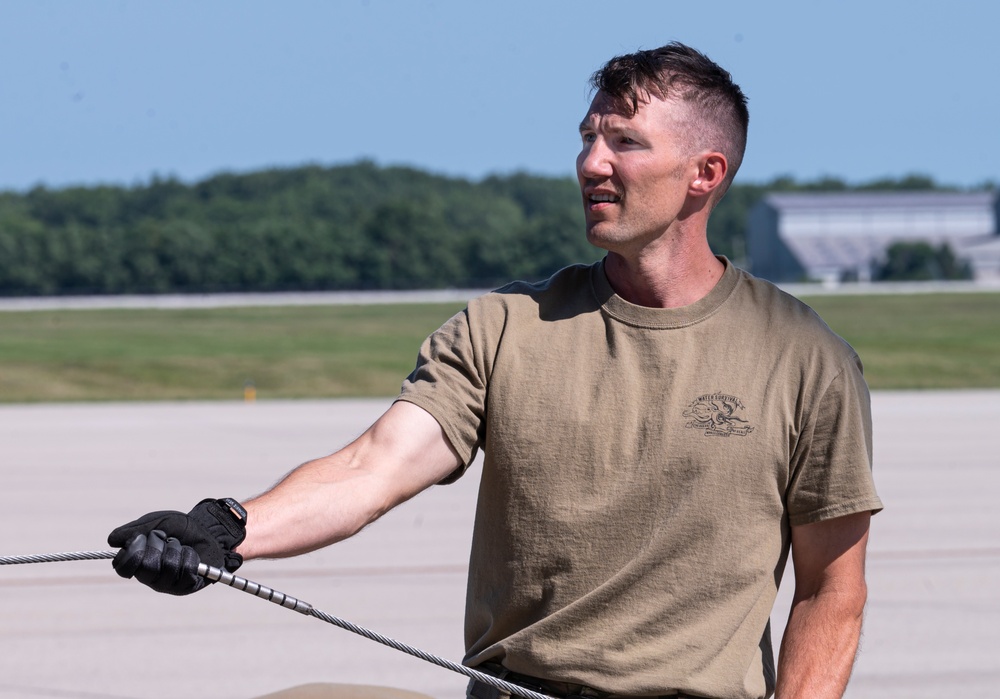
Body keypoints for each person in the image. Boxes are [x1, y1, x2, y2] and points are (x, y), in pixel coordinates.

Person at [109, 42, 883, 699]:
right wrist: (224, 529)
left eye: (625, 142)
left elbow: (830, 589)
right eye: (586, 138)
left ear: (705, 173)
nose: (591, 162)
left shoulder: (806, 359)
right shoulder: (505, 326)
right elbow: (371, 468)